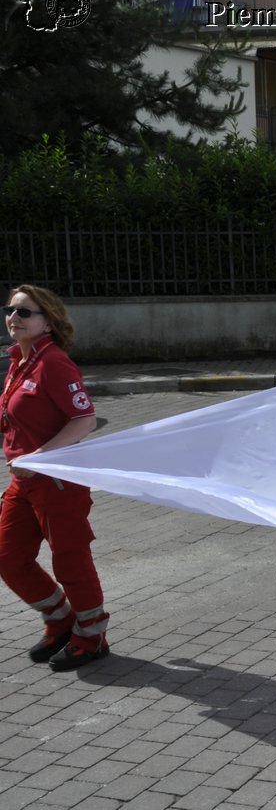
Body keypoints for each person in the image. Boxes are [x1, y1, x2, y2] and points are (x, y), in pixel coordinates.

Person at [1, 285, 110, 671]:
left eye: (24, 312)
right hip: (25, 480)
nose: (14, 318)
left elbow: (85, 419)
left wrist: (39, 456)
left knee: (70, 560)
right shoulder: (20, 360)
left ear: (47, 321)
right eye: (10, 310)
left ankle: (92, 634)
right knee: (9, 558)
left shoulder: (54, 363)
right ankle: (62, 619)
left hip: (56, 481)